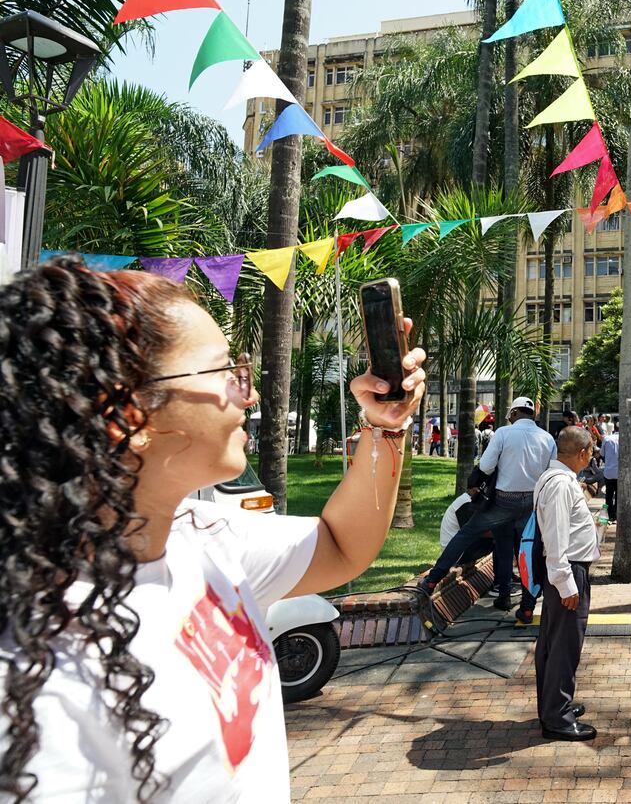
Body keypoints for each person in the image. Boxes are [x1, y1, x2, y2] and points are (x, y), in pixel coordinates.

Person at [0, 258, 427, 800]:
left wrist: (384, 427)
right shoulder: (37, 682)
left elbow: (341, 547)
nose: (246, 394)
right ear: (127, 417)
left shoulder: (204, 536)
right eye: (224, 372)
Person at [417, 397, 554, 618]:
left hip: (502, 500)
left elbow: (487, 466)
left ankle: (432, 580)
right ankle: (526, 607)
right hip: (531, 502)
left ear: (516, 413)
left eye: (511, 413)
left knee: (467, 534)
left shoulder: (503, 433)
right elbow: (550, 474)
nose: (509, 417)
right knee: (526, 551)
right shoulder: (547, 438)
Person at [533, 427, 600, 742]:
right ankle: (557, 718)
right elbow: (557, 536)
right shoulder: (560, 484)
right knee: (563, 647)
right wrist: (566, 583)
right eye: (591, 452)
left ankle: (554, 707)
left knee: (553, 643)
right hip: (568, 571)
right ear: (583, 452)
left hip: (567, 569)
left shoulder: (557, 479)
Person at [439, 492, 492, 565]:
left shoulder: (469, 500)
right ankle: (503, 573)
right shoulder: (466, 503)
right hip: (455, 554)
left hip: (459, 549)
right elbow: (480, 531)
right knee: (500, 539)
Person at [600, 427, 620, 521]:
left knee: (609, 494)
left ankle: (609, 514)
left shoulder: (607, 438)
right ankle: (616, 514)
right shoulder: (624, 438)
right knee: (618, 494)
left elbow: (602, 453)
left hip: (608, 471)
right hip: (620, 472)